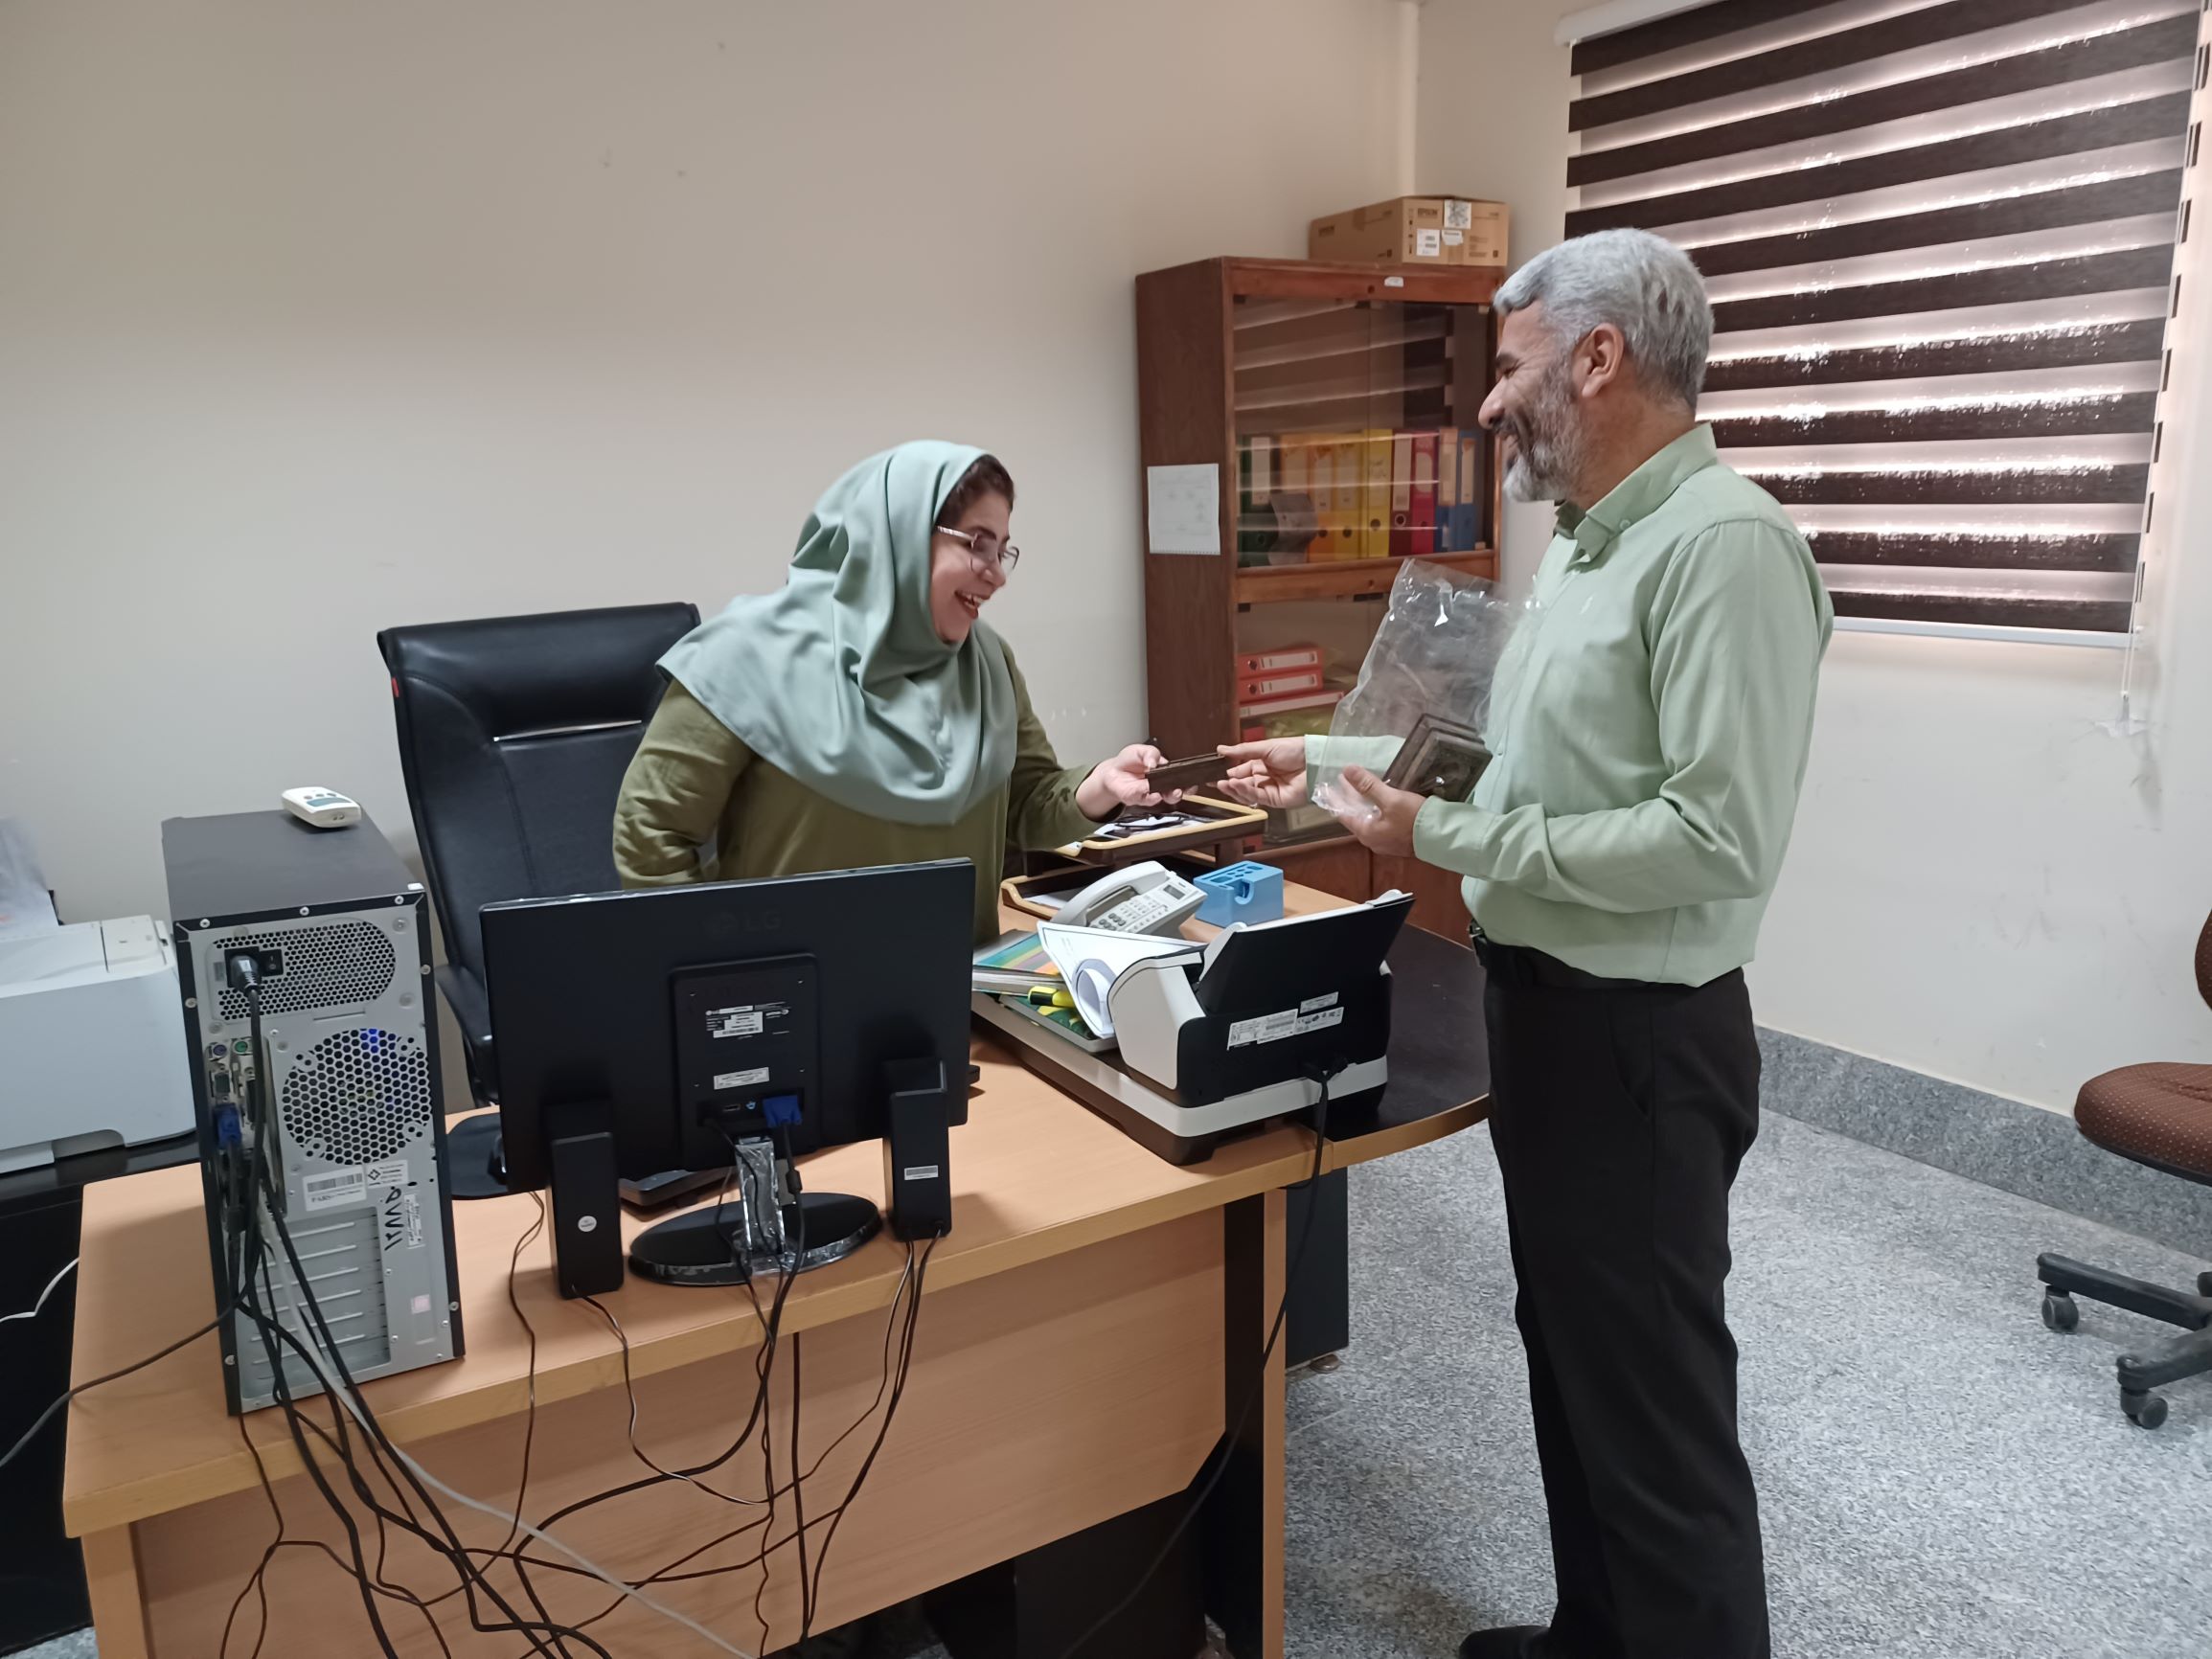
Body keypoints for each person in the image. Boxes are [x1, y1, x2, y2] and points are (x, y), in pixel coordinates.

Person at [1220, 229, 1833, 1659]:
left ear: (1598, 357)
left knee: (1653, 1402)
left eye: (1509, 368)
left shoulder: (1724, 547)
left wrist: (1440, 840)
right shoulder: (1590, 545)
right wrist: (1323, 763)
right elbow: (1504, 763)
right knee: (1570, 1352)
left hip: (1639, 1038)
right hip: (1548, 1013)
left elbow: (1714, 840)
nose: (1490, 403)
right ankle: (1594, 1635)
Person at [614, 441, 1174, 941]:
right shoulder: (746, 655)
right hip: (794, 996)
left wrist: (1102, 784)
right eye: (978, 544)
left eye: (1003, 550)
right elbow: (652, 832)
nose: (997, 573)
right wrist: (717, 970)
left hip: (950, 987)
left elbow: (1027, 804)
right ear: (899, 534)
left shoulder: (987, 662)